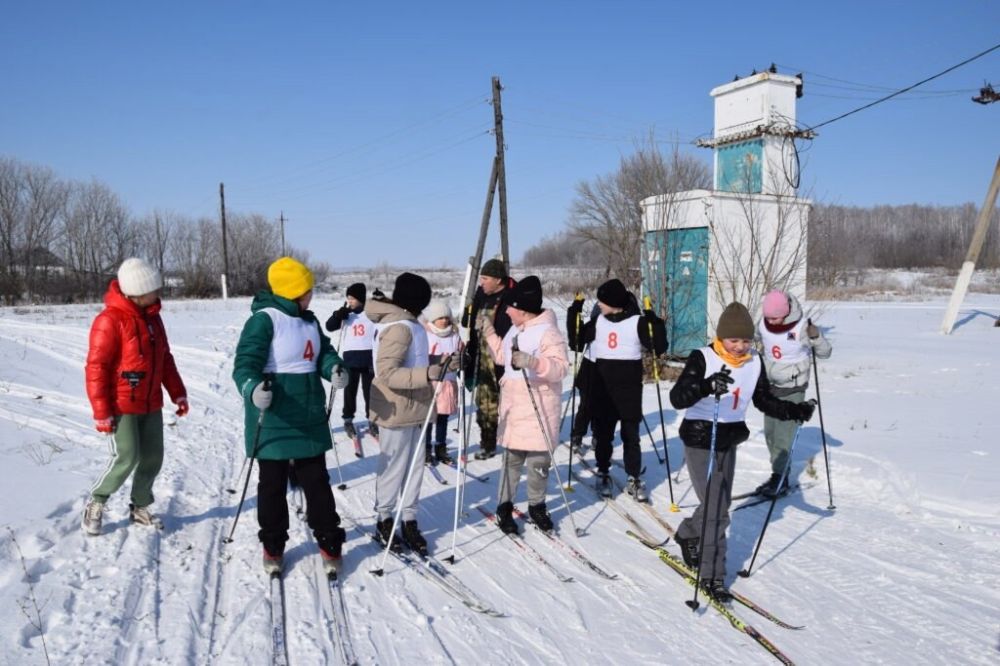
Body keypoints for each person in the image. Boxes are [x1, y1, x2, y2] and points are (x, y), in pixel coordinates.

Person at [668, 302, 815, 601]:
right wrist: (706, 386)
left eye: (746, 341)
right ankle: (712, 575)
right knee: (717, 510)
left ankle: (686, 533)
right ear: (721, 338)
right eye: (733, 340)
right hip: (699, 439)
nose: (739, 347)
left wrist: (793, 410)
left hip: (728, 439)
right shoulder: (703, 357)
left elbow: (763, 399)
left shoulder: (754, 362)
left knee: (716, 504)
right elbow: (677, 398)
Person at [232, 257, 349, 575]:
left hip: (309, 417)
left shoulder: (310, 321)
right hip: (274, 420)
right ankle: (273, 545)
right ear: (292, 291)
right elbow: (244, 365)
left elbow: (323, 353)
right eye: (307, 289)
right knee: (272, 486)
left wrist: (334, 368)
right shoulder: (264, 320)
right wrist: (253, 388)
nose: (311, 294)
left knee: (318, 485)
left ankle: (329, 540)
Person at [82, 258, 189, 536]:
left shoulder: (153, 318)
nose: (158, 293)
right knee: (126, 457)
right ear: (137, 291)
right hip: (121, 404)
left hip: (150, 401)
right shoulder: (109, 321)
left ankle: (140, 505)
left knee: (153, 456)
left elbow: (165, 359)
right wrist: (101, 411)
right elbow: (97, 368)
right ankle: (97, 501)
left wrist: (177, 393)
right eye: (153, 288)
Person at [366, 272, 450, 554]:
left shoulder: (410, 325)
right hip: (396, 408)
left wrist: (441, 363)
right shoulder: (399, 327)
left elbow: (415, 360)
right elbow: (386, 372)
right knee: (394, 468)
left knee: (415, 466)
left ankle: (409, 518)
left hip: (417, 407)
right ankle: (384, 518)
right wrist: (428, 373)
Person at [479, 276, 569, 534]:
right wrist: (488, 332)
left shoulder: (548, 332)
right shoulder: (514, 330)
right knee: (511, 462)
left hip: (539, 408)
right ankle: (504, 506)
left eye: (510, 307)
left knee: (538, 464)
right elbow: (501, 357)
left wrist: (533, 362)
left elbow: (560, 368)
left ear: (523, 310)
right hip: (513, 408)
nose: (506, 311)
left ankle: (537, 506)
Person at [567, 278, 666, 502]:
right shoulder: (598, 322)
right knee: (603, 436)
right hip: (603, 389)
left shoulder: (637, 322)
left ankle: (633, 477)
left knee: (631, 437)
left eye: (602, 301)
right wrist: (574, 311)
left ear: (613, 302)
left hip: (629, 389)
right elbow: (576, 341)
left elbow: (658, 346)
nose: (599, 305)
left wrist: (654, 322)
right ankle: (603, 472)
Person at [755, 289, 833, 497]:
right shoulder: (763, 323)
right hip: (770, 386)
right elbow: (753, 336)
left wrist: (816, 337)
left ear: (786, 311)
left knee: (783, 438)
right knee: (770, 434)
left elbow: (825, 353)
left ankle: (780, 478)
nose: (772, 321)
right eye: (768, 317)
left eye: (776, 317)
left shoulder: (801, 327)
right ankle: (777, 474)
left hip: (793, 388)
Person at [460, 258, 516, 460]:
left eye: (485, 278)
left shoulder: (512, 297)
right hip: (482, 359)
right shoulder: (481, 295)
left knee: (510, 405)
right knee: (484, 404)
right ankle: (488, 443)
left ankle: (514, 442)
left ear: (498, 279)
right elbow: (469, 319)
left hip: (504, 359)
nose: (481, 282)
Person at [325, 282, 377, 440]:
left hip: (368, 359)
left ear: (361, 299)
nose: (350, 301)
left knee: (370, 393)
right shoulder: (346, 313)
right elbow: (329, 326)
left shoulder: (371, 313)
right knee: (350, 392)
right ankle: (348, 419)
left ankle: (372, 420)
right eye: (348, 298)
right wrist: (337, 316)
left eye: (353, 298)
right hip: (350, 360)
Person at [423, 300, 462, 465]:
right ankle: (425, 448)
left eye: (447, 317)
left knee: (443, 417)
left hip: (448, 382)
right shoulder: (426, 334)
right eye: (440, 318)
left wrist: (460, 360)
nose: (444, 321)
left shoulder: (455, 335)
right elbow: (422, 357)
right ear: (432, 319)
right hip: (431, 382)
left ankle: (441, 447)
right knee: (430, 418)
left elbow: (460, 352)